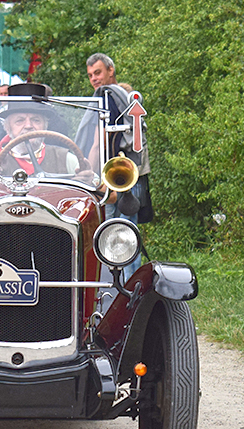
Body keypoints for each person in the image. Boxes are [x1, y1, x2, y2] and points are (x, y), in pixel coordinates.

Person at [83, 52, 151, 281]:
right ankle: (131, 288)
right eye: (91, 75)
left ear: (111, 70)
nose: (94, 79)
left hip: (113, 178)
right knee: (128, 234)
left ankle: (114, 290)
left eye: (98, 72)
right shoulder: (125, 98)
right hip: (132, 174)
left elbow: (97, 142)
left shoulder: (106, 98)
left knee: (110, 236)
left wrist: (87, 175)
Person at [0, 83, 88, 178]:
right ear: (7, 128)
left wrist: (87, 178)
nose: (28, 126)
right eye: (20, 120)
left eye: (36, 120)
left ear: (45, 126)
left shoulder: (66, 159)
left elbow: (98, 186)